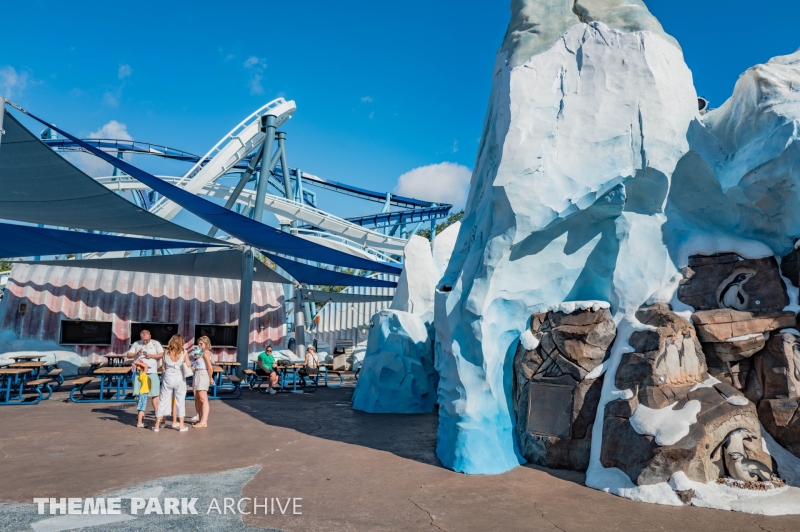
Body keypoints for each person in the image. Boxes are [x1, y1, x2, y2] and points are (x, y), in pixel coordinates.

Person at [152, 334, 191, 432]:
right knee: (180, 401)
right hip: (179, 378)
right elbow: (188, 364)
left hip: (168, 378)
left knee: (163, 401)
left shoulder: (166, 352)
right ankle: (181, 425)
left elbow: (163, 367)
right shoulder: (184, 352)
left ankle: (157, 425)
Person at [126, 330, 164, 428]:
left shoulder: (156, 343)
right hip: (139, 373)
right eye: (144, 340)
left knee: (155, 394)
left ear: (150, 336)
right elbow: (128, 355)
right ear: (141, 337)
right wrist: (136, 354)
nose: (146, 341)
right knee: (139, 394)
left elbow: (162, 354)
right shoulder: (136, 344)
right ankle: (141, 416)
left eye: (147, 339)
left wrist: (152, 356)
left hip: (152, 372)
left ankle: (157, 415)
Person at [188, 335, 213, 428]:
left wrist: (210, 378)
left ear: (206, 344)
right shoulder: (200, 353)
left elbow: (210, 367)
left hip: (203, 374)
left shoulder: (206, 353)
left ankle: (203, 421)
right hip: (197, 373)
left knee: (203, 398)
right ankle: (200, 418)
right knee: (197, 397)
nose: (199, 345)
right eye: (198, 343)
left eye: (201, 343)